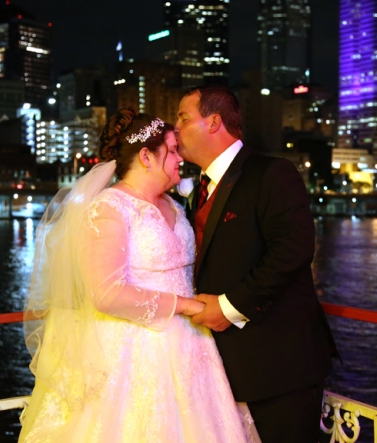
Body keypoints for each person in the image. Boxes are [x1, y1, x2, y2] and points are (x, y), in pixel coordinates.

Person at [19, 109, 257, 443]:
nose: (179, 158)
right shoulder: (110, 208)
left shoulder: (175, 206)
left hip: (194, 348)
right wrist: (187, 306)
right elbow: (107, 294)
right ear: (146, 156)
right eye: (172, 150)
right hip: (135, 352)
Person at [175, 85, 339, 443]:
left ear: (214, 122)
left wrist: (229, 306)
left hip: (279, 366)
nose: (174, 129)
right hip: (219, 372)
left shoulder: (272, 173)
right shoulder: (195, 192)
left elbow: (293, 251)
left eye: (183, 118)